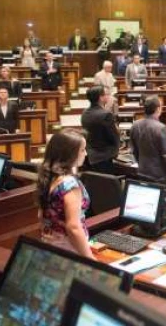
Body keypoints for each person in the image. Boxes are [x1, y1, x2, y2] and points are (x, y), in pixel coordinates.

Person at [36, 130, 93, 258]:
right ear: (70, 154)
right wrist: (90, 258)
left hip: (49, 245)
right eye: (83, 150)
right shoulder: (70, 184)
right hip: (70, 250)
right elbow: (73, 227)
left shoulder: (48, 177)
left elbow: (40, 215)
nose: (86, 153)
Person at [131, 96, 166, 185]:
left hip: (142, 171)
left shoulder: (135, 125)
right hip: (158, 176)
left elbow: (134, 150)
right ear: (158, 109)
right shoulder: (161, 128)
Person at [80, 86, 119, 172]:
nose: (108, 96)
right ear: (101, 97)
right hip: (104, 157)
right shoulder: (106, 115)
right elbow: (114, 137)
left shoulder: (85, 113)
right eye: (106, 94)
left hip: (90, 155)